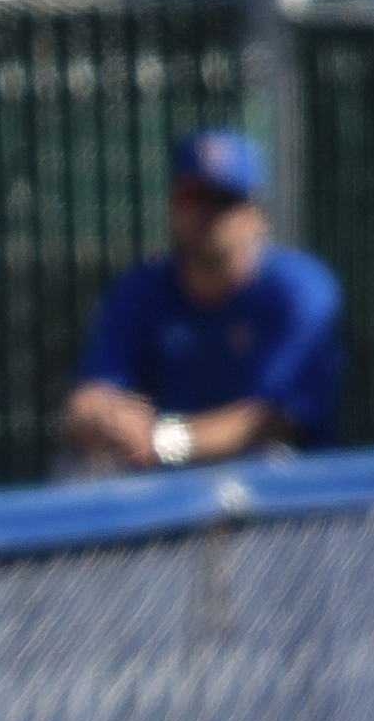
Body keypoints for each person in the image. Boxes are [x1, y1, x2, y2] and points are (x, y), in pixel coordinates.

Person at [57, 128, 343, 474]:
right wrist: (105, 419)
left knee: (271, 459)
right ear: (172, 206)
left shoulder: (297, 290)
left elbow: (273, 420)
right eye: (195, 197)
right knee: (78, 469)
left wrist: (162, 440)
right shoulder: (138, 290)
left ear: (256, 216)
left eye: (223, 200)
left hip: (263, 475)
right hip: (159, 471)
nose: (208, 215)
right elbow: (88, 397)